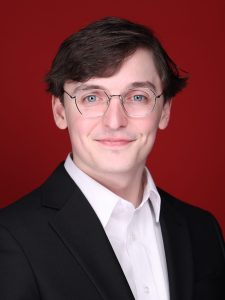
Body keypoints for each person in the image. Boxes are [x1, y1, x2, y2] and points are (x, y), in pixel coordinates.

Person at [0, 17, 224, 300]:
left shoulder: (203, 231)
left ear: (165, 110)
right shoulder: (10, 238)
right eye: (91, 98)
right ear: (60, 112)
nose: (115, 121)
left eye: (138, 97)